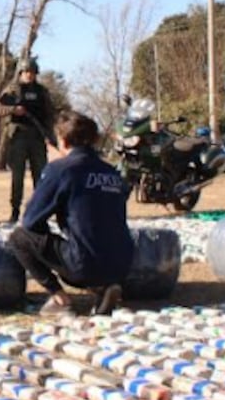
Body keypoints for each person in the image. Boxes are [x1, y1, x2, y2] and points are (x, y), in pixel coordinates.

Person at [7, 109, 134, 316]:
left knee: (19, 238)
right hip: (123, 264)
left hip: (84, 264)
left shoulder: (62, 169)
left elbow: (30, 220)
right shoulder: (111, 172)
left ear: (63, 141)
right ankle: (104, 287)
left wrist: (54, 166)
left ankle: (59, 298)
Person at [0, 57, 55, 223]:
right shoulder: (13, 90)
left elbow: (49, 114)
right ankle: (15, 211)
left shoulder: (42, 91)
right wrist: (14, 109)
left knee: (41, 176)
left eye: (32, 72)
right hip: (18, 137)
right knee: (17, 176)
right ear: (21, 73)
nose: (29, 75)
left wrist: (50, 136)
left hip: (37, 136)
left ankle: (41, 210)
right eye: (26, 72)